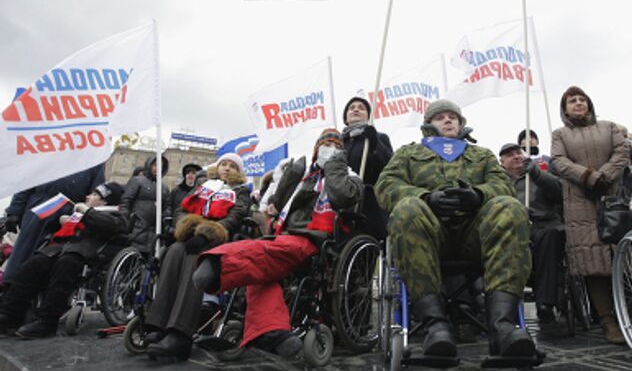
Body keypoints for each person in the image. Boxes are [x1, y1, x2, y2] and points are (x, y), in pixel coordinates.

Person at [375, 100, 534, 359]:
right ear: (428, 124)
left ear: (461, 124)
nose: (448, 120)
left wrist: (478, 195)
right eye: (440, 117)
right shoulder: (408, 153)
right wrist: (426, 197)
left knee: (510, 207)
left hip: (475, 234)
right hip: (428, 234)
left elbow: (503, 185)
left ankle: (503, 327)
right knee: (407, 209)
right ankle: (435, 326)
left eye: (453, 116)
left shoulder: (481, 154)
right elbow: (386, 186)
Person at [193, 129, 363, 358]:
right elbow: (276, 205)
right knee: (263, 271)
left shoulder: (350, 177)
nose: (328, 148)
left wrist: (335, 165)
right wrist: (291, 176)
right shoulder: (305, 179)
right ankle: (272, 333)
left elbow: (342, 197)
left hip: (318, 239)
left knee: (267, 252)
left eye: (335, 145)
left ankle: (220, 265)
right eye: (324, 144)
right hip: (288, 234)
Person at [143, 153, 249, 361]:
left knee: (195, 257)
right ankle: (158, 324)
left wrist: (206, 233)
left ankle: (180, 333)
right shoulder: (204, 186)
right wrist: (188, 228)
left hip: (218, 241)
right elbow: (182, 210)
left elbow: (235, 218)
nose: (226, 169)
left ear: (239, 172)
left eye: (232, 167)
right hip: (191, 236)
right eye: (223, 164)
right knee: (173, 252)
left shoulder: (240, 191)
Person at [550, 86, 628, 344]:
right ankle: (608, 322)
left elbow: (622, 152)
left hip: (614, 196)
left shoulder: (609, 127)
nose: (578, 103)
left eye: (582, 99)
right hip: (580, 202)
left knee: (624, 255)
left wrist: (604, 176)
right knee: (594, 262)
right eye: (572, 100)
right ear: (565, 109)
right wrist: (589, 177)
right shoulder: (560, 134)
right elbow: (559, 161)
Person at [0, 182, 127, 338]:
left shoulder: (115, 214)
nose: (88, 196)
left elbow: (112, 227)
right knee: (34, 263)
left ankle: (47, 321)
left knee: (65, 265)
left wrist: (87, 213)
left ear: (105, 201)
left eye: (94, 195)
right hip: (64, 248)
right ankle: (9, 315)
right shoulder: (80, 212)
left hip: (88, 253)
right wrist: (61, 219)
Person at [2, 163, 105, 285]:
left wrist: (88, 213)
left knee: (54, 256)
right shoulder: (49, 151)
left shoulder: (93, 157)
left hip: (71, 212)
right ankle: (11, 287)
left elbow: (95, 192)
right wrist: (15, 210)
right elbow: (27, 181)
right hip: (39, 208)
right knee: (25, 251)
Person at [499, 143, 565, 333]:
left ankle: (545, 304)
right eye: (510, 155)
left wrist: (536, 174)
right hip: (514, 228)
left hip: (543, 226)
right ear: (502, 163)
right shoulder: (499, 182)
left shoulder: (537, 175)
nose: (516, 156)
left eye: (518, 152)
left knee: (550, 237)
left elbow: (559, 192)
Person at [341, 96, 393, 239]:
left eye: (361, 108)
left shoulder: (379, 137)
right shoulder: (337, 142)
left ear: (368, 116)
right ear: (346, 117)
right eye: (352, 108)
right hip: (341, 203)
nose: (356, 109)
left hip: (369, 203)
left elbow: (389, 166)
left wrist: (375, 143)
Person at [118, 155, 170, 255]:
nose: (158, 168)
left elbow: (167, 206)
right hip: (136, 228)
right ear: (149, 165)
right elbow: (125, 201)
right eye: (155, 165)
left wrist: (165, 216)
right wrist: (125, 219)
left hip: (154, 233)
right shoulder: (137, 181)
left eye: (161, 166)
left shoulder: (164, 187)